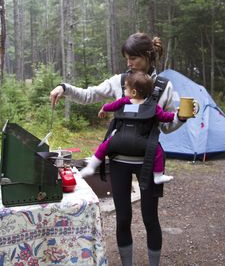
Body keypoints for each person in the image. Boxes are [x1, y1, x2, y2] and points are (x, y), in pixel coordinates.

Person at [50, 32, 193, 266]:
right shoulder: (119, 81)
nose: (129, 63)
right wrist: (64, 88)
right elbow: (90, 94)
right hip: (118, 162)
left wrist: (183, 118)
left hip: (148, 161)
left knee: (150, 219)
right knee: (123, 218)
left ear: (148, 56)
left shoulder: (165, 87)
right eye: (126, 57)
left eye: (134, 58)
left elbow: (167, 126)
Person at [80, 71, 178, 184]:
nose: (124, 90)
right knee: (158, 151)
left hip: (119, 140)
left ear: (134, 91)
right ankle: (158, 176)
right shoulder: (153, 106)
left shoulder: (124, 101)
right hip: (142, 142)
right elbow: (165, 117)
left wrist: (104, 109)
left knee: (104, 146)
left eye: (126, 88)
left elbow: (112, 106)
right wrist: (177, 116)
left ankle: (91, 167)